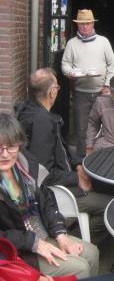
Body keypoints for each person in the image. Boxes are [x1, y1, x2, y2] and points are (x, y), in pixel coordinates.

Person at [15, 68, 112, 244]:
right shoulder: (41, 123)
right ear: (52, 92)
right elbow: (43, 173)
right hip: (59, 193)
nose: (58, 91)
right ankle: (75, 240)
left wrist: (77, 165)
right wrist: (76, 178)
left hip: (66, 180)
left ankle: (72, 228)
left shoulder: (31, 112)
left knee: (105, 185)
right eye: (58, 87)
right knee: (113, 205)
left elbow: (63, 150)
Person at [0, 113, 99, 279]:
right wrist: (34, 243)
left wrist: (61, 234)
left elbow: (47, 201)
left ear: (19, 144)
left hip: (44, 234)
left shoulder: (26, 165)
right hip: (17, 251)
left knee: (92, 253)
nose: (5, 154)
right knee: (80, 268)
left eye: (11, 146)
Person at [62, 9, 114, 158]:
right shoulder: (72, 44)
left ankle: (101, 158)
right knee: (81, 129)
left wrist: (106, 85)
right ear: (77, 25)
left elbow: (112, 65)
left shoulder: (103, 41)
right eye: (82, 24)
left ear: (93, 23)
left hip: (102, 93)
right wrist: (71, 72)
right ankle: (81, 161)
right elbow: (65, 64)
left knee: (106, 127)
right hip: (81, 93)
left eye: (88, 23)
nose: (85, 26)